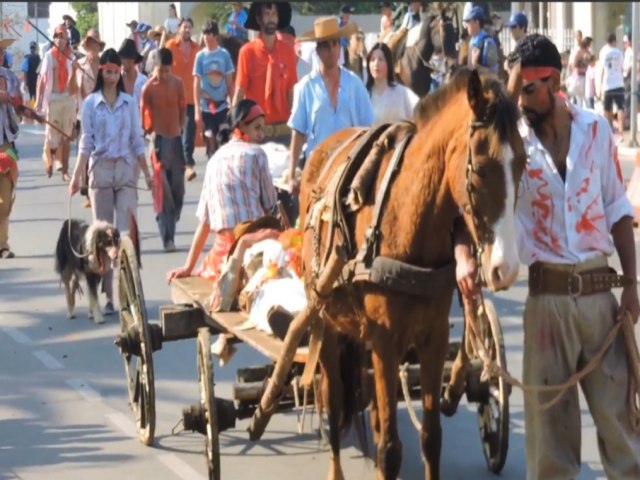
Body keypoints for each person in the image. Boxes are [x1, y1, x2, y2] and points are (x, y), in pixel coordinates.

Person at [459, 33, 640, 479]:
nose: (519, 99)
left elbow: (618, 209)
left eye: (527, 89)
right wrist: (464, 255)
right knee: (550, 447)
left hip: (601, 300)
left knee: (623, 432)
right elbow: (470, 200)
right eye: (516, 87)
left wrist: (631, 285)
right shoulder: (510, 142)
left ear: (555, 81)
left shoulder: (596, 129)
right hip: (546, 305)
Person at [69, 48, 153, 313]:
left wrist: (148, 174)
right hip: (100, 172)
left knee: (127, 233)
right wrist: (76, 177)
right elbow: (86, 143)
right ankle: (108, 296)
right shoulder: (90, 104)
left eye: (116, 72)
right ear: (101, 72)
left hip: (125, 170)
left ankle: (129, 291)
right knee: (104, 236)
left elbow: (137, 142)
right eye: (108, 71)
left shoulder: (129, 104)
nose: (112, 76)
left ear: (120, 72)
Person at [166, 99, 276, 283]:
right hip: (253, 249)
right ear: (242, 126)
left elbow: (205, 223)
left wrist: (188, 267)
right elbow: (270, 205)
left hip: (221, 257)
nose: (261, 134)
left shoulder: (214, 160)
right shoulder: (257, 154)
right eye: (257, 128)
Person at [287, 16, 374, 200]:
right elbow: (298, 132)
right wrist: (292, 174)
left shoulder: (355, 84)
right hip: (319, 168)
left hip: (351, 166)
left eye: (335, 44)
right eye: (326, 45)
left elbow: (369, 128)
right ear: (318, 50)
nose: (332, 50)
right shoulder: (305, 86)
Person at [141, 48, 186, 252]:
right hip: (157, 142)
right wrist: (149, 132)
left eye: (167, 70)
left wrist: (180, 126)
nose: (163, 75)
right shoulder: (148, 88)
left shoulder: (178, 84)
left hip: (176, 140)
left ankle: (173, 215)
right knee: (163, 190)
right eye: (160, 70)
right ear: (154, 67)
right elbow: (144, 116)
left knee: (178, 189)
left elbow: (183, 108)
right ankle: (167, 238)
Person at [234, 2, 297, 144]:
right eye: (267, 14)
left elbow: (291, 92)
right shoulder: (247, 52)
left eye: (274, 14)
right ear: (258, 18)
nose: (271, 19)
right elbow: (239, 91)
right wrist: (235, 126)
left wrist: (298, 126)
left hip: (284, 131)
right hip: (257, 132)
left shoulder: (288, 52)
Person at [35, 23, 78, 181]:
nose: (60, 39)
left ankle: (64, 170)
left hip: (68, 99)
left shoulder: (72, 57)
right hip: (52, 98)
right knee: (51, 135)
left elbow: (75, 86)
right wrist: (38, 102)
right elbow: (42, 79)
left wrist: (74, 69)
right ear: (54, 38)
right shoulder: (48, 56)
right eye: (57, 36)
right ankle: (49, 161)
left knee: (66, 136)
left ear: (67, 39)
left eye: (63, 36)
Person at [193, 20, 235, 158]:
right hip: (207, 106)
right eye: (204, 33)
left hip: (222, 105)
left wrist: (233, 104)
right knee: (210, 137)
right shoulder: (200, 56)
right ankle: (211, 159)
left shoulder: (224, 55)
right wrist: (197, 110)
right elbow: (196, 83)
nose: (205, 37)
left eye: (209, 33)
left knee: (223, 138)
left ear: (215, 36)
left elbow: (230, 83)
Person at [165, 17, 199, 181]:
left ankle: (188, 164)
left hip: (191, 98)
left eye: (189, 27)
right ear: (178, 28)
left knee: (189, 133)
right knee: (174, 133)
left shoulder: (197, 48)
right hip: (173, 97)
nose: (187, 30)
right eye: (184, 27)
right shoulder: (170, 46)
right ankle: (181, 164)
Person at [0, 36, 25, 259]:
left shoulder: (10, 78)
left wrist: (21, 105)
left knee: (5, 198)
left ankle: (2, 244)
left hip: (6, 143)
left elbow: (18, 102)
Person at [76, 29, 104, 209]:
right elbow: (76, 91)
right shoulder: (79, 65)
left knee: (101, 154)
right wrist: (74, 72)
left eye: (95, 44)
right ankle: (87, 191)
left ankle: (101, 189)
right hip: (85, 115)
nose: (92, 47)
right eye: (89, 44)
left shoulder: (105, 66)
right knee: (86, 153)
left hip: (104, 114)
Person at [366, 42, 418, 125]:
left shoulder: (402, 92)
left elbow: (418, 111)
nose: (376, 64)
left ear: (388, 64)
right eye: (372, 60)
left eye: (381, 59)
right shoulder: (365, 94)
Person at [598, 32, 625, 136]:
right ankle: (621, 131)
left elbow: (601, 70)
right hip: (619, 83)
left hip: (607, 84)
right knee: (620, 108)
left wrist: (599, 85)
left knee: (606, 108)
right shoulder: (618, 52)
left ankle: (609, 128)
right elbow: (622, 67)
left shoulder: (603, 52)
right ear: (614, 41)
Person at [463, 5, 498, 73]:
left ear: (477, 22)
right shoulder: (471, 41)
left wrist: (476, 65)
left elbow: (493, 72)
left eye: (469, 21)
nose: (466, 25)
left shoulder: (488, 43)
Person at [21, 41, 41, 108]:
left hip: (32, 81)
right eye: (32, 48)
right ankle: (33, 108)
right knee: (33, 96)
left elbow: (25, 71)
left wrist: (25, 82)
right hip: (33, 81)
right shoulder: (38, 58)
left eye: (33, 48)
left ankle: (33, 108)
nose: (32, 49)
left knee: (32, 96)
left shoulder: (27, 58)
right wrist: (25, 83)